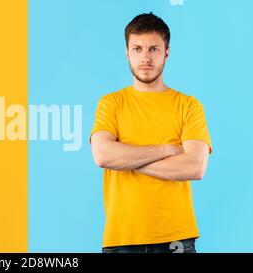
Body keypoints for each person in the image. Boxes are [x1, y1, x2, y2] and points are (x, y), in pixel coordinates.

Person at [90, 13, 212, 253]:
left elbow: (194, 167)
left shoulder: (188, 105)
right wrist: (166, 150)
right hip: (122, 238)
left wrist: (125, 160)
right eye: (137, 49)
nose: (145, 58)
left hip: (177, 238)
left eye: (153, 49)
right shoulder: (111, 103)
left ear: (166, 53)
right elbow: (103, 155)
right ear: (127, 52)